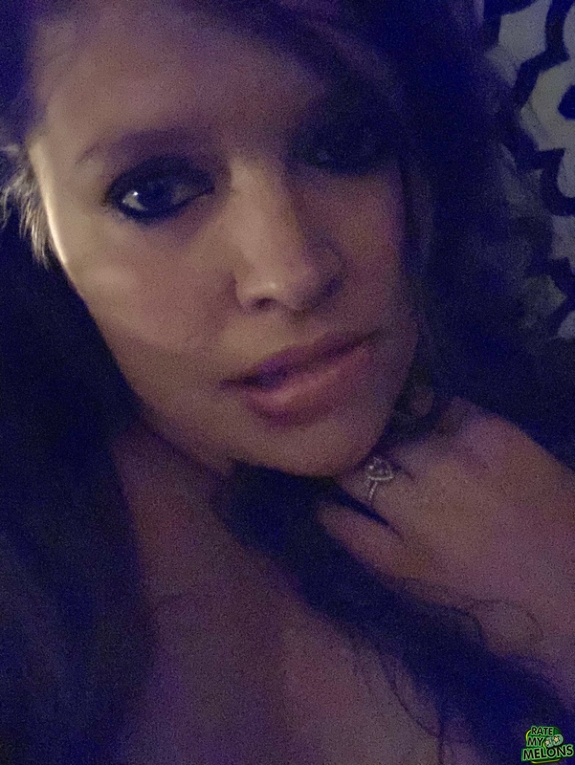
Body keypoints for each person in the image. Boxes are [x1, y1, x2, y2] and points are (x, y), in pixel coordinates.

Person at [0, 0, 574, 763]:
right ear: (31, 215)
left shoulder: (539, 456)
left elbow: (545, 750)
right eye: (154, 192)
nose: (292, 273)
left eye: (344, 145)